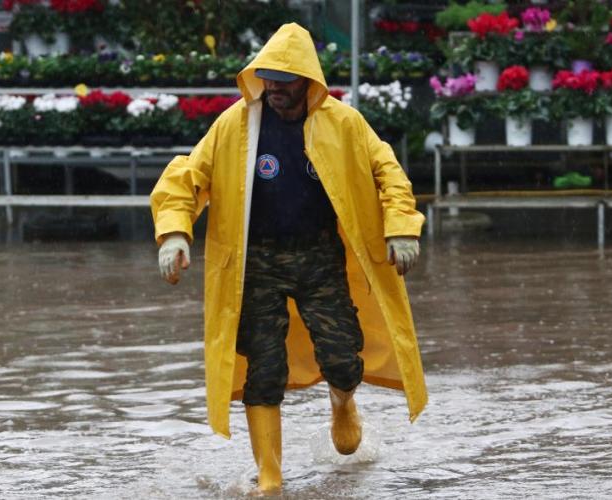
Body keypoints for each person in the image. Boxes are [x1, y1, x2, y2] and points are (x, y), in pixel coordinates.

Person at [150, 23, 427, 496]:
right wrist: (175, 234)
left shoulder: (345, 123)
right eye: (267, 78)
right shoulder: (235, 124)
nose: (274, 88)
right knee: (263, 367)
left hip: (321, 257)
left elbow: (390, 175)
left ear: (307, 81)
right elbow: (186, 179)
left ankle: (343, 404)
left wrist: (402, 228)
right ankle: (270, 478)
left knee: (343, 358)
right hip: (255, 263)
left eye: (284, 79)